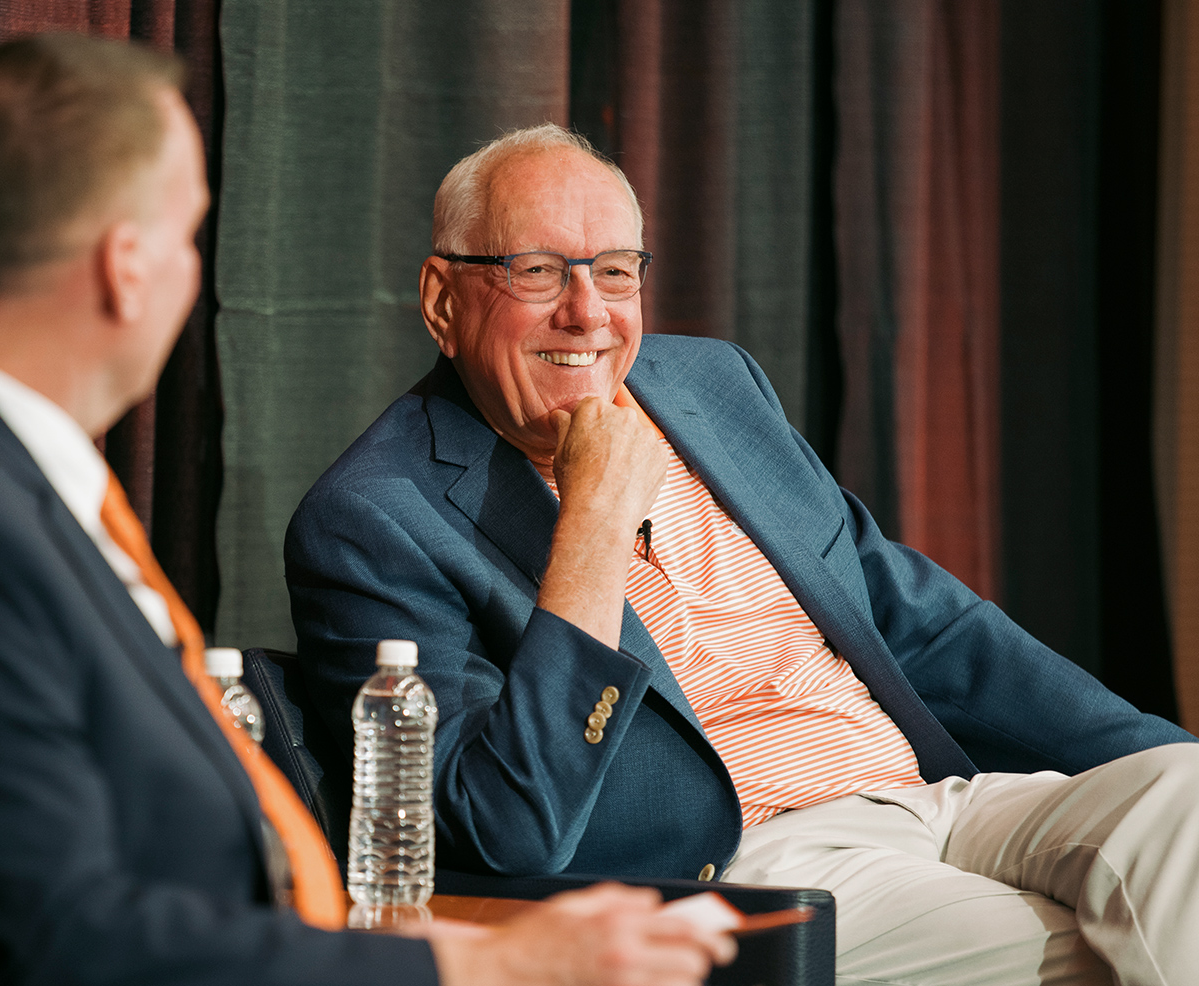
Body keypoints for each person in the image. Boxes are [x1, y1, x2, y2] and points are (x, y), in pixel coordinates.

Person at [0, 35, 733, 986]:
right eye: (187, 238)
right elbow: (65, 941)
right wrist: (482, 964)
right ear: (126, 268)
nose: (190, 272)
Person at [285, 122, 1199, 985]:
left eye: (613, 270)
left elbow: (913, 617)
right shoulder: (375, 520)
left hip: (934, 797)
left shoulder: (710, 383)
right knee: (1083, 953)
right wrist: (594, 524)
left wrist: (1152, 765)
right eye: (536, 272)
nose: (587, 312)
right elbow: (501, 830)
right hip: (752, 857)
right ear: (442, 300)